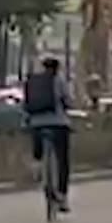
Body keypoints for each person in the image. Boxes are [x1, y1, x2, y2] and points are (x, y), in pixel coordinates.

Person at [23, 56, 74, 211]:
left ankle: (37, 166)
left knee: (37, 147)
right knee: (63, 159)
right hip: (58, 123)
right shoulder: (59, 80)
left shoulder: (33, 81)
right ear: (57, 68)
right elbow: (68, 101)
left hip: (36, 123)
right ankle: (62, 196)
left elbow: (26, 103)